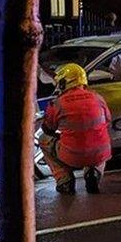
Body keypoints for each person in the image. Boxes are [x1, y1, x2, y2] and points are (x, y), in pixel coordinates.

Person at [39, 63, 112, 194]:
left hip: (72, 155)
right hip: (100, 152)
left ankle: (64, 180)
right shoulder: (98, 98)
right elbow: (107, 120)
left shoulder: (58, 103)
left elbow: (47, 129)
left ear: (63, 82)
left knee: (43, 140)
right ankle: (94, 172)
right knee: (99, 140)